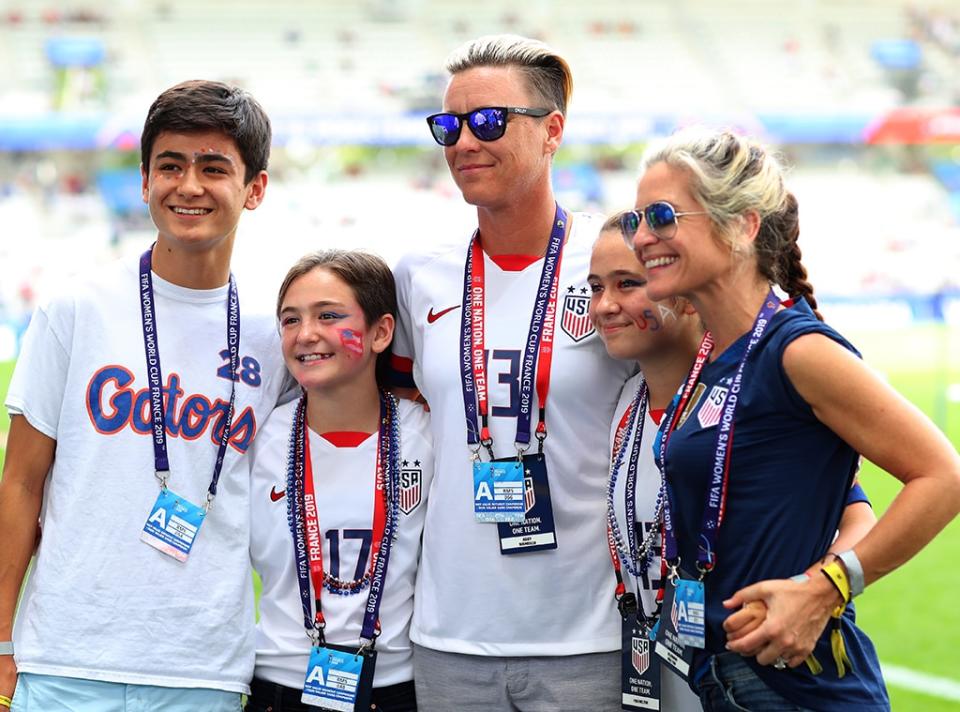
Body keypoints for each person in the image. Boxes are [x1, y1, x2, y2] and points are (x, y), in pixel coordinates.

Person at [622, 127, 960, 710]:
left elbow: (943, 477)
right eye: (635, 222)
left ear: (742, 225)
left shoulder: (797, 350)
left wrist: (827, 586)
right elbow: (830, 494)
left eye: (661, 216)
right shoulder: (714, 356)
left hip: (801, 686)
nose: (643, 237)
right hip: (724, 677)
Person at [0, 80, 287, 711]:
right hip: (64, 661)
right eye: (170, 165)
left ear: (255, 188)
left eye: (214, 168)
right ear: (144, 179)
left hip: (203, 669)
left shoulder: (276, 336)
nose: (189, 185)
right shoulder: (75, 311)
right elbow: (20, 482)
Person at [391, 34, 633, 711]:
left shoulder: (612, 265)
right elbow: (407, 405)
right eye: (450, 125)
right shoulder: (419, 274)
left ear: (552, 130)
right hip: (449, 640)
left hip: (590, 640)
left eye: (490, 120)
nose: (465, 141)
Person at [587, 214, 877, 712]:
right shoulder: (622, 401)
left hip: (761, 668)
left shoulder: (749, 394)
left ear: (678, 289)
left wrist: (818, 591)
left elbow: (858, 512)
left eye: (628, 284)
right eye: (594, 288)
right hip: (665, 661)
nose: (605, 305)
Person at [246, 250, 431, 712]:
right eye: (290, 320)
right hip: (278, 685)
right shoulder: (258, 437)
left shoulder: (429, 432)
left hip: (396, 688)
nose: (306, 334)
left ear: (381, 332)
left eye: (328, 315)